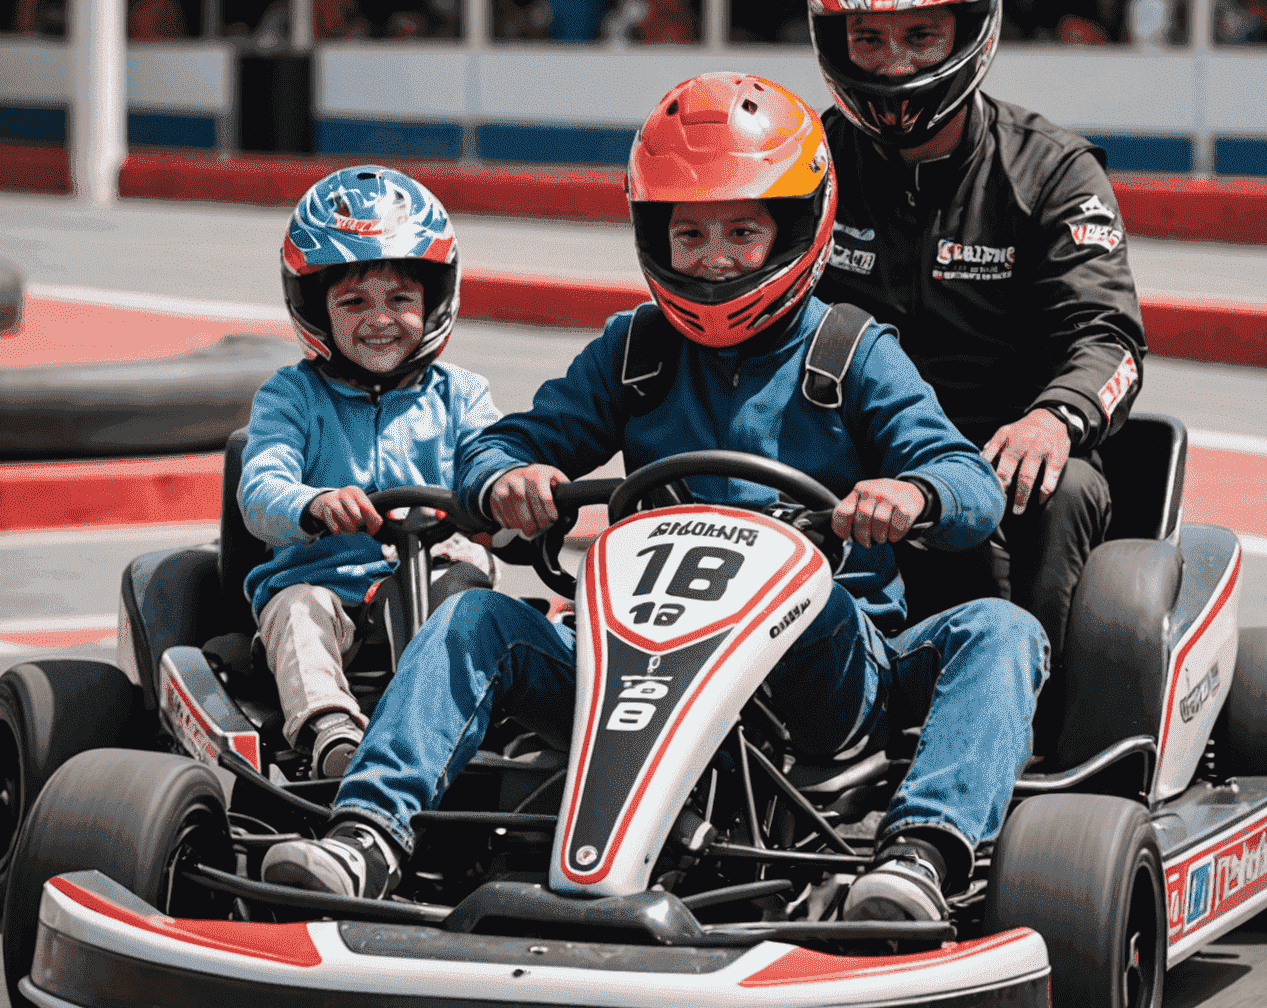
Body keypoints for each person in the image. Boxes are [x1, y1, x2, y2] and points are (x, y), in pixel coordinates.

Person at [262, 74, 1047, 925]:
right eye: (691, 233)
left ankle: (918, 855)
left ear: (794, 228)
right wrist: (507, 480)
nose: (714, 258)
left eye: (742, 232)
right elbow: (502, 446)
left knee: (1004, 631)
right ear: (654, 236)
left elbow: (969, 485)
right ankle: (366, 835)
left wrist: (909, 492)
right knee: (473, 619)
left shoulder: (852, 351)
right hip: (637, 654)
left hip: (821, 663)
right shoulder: (636, 348)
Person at [805, 0, 1146, 755]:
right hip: (846, 461)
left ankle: (1026, 740)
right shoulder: (803, 165)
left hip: (1006, 456)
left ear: (970, 27)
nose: (891, 62)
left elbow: (1109, 342)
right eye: (868, 37)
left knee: (1058, 487)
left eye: (920, 34)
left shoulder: (1053, 171)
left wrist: (1053, 417)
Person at [239, 167, 500, 780]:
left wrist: (507, 499)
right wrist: (315, 503)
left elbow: (495, 460)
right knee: (295, 608)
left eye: (400, 300)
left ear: (433, 300)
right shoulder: (291, 398)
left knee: (474, 573)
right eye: (354, 302)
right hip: (328, 586)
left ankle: (460, 719)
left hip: (431, 587)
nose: (379, 320)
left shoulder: (460, 396)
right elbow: (261, 488)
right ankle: (332, 736)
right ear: (314, 308)